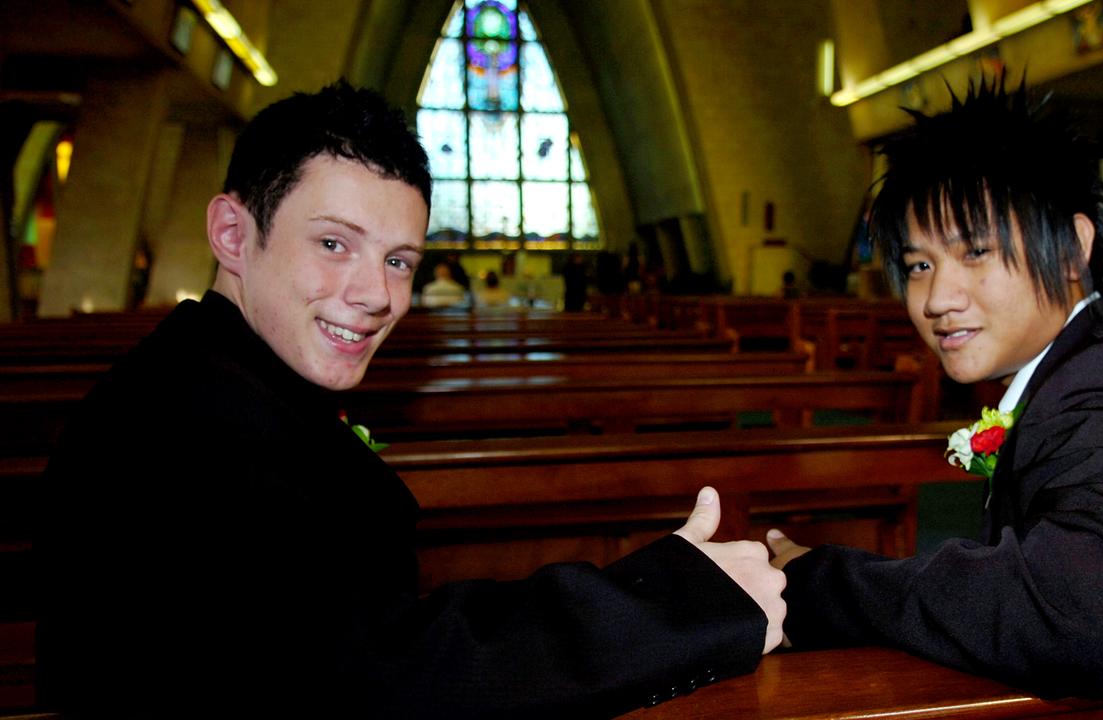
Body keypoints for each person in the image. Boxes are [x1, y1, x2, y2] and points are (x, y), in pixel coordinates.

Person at [35, 81, 785, 718]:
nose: (374, 296)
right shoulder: (173, 427)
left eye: (398, 260)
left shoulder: (232, 377)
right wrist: (671, 604)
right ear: (234, 233)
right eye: (333, 244)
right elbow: (376, 675)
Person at [767, 77, 1103, 698]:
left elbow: (1092, 624)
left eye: (976, 251)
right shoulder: (1084, 365)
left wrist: (825, 585)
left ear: (1074, 247)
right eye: (920, 265)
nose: (938, 299)